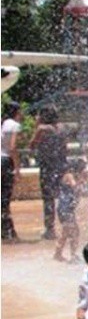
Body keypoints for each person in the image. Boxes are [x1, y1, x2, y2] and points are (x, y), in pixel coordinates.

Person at [28, 106, 68, 240]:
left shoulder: (42, 129)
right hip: (61, 165)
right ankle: (68, 225)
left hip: (47, 166)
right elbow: (65, 146)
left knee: (48, 198)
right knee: (64, 195)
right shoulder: (62, 127)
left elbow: (32, 145)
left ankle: (50, 229)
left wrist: (37, 124)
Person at [53, 159, 86, 262]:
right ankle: (73, 255)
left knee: (66, 233)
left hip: (67, 208)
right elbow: (75, 186)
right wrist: (82, 180)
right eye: (83, 169)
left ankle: (58, 254)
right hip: (65, 208)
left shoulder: (72, 175)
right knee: (74, 232)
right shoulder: (69, 175)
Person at [1, 103, 24, 241]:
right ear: (16, 111)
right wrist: (17, 168)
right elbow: (13, 147)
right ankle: (8, 232)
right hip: (5, 162)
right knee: (4, 199)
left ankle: (6, 231)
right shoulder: (14, 125)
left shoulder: (2, 123)